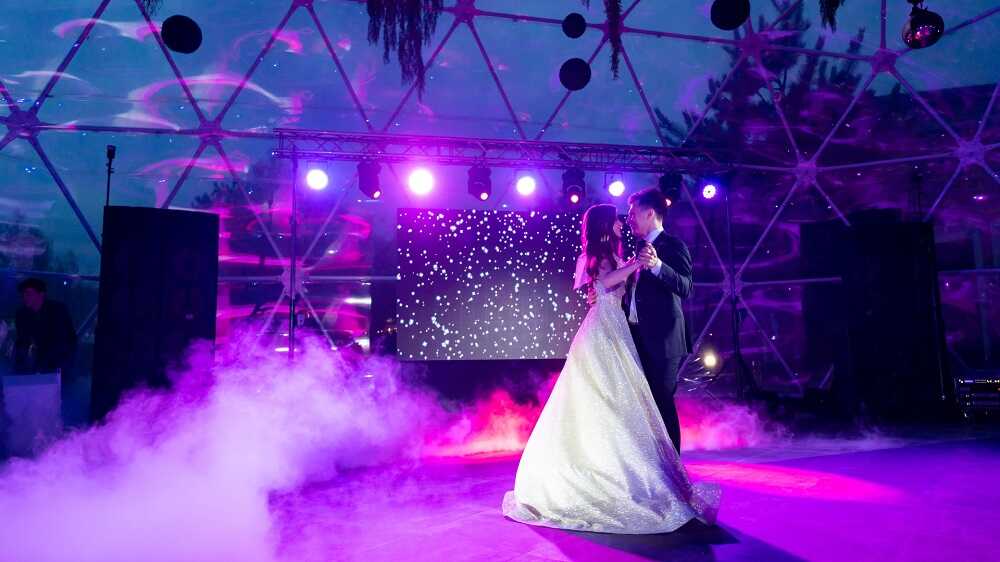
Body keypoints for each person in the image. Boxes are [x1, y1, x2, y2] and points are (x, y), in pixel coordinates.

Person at [502, 204, 718, 534]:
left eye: (627, 217)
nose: (623, 223)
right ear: (605, 224)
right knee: (606, 398)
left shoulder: (629, 252)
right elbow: (605, 282)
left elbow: (630, 288)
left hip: (620, 329)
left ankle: (650, 470)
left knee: (627, 402)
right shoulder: (601, 255)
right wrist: (635, 265)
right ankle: (614, 470)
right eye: (617, 219)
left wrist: (633, 267)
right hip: (605, 329)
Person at [622, 187, 694, 453]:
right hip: (637, 337)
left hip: (664, 339)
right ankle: (651, 461)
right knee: (643, 405)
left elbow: (686, 287)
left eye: (633, 213)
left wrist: (657, 266)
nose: (629, 219)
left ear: (649, 213)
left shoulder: (673, 246)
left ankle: (673, 466)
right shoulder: (635, 248)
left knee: (662, 401)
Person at [13, 278, 77, 375]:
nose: (24, 297)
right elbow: (22, 341)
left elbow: (63, 341)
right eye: (23, 294)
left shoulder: (57, 310)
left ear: (41, 294)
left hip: (60, 361)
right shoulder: (22, 315)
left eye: (28, 293)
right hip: (38, 362)